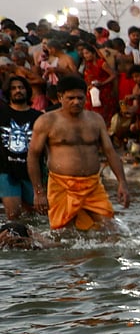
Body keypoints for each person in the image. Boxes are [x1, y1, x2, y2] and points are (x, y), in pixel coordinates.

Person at [27, 75, 130, 231]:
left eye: (80, 97)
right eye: (71, 98)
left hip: (93, 185)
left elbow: (110, 152)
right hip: (61, 185)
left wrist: (122, 182)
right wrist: (39, 192)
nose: (76, 102)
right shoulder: (46, 121)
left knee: (111, 230)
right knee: (64, 234)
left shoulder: (95, 119)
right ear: (60, 97)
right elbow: (33, 156)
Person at [0, 76, 42, 220]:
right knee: (13, 215)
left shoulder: (38, 117)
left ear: (27, 91)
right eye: (14, 88)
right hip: (6, 171)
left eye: (21, 87)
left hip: (32, 172)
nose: (18, 91)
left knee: (37, 214)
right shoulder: (1, 113)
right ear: (8, 92)